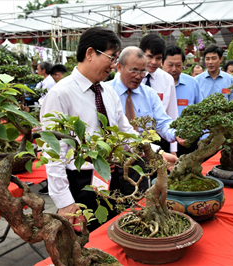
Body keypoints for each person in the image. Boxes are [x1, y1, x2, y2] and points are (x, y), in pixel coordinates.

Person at [40, 27, 176, 232]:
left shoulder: (107, 92)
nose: (114, 66)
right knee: (82, 238)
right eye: (111, 58)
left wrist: (157, 154)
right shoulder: (61, 93)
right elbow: (53, 152)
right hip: (79, 180)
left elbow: (126, 132)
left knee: (107, 231)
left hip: (108, 176)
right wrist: (64, 201)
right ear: (90, 53)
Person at [108, 46, 184, 194]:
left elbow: (163, 122)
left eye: (143, 71)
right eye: (134, 70)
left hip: (141, 159)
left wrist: (176, 134)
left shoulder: (149, 94)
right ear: (119, 67)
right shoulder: (106, 92)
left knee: (138, 200)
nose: (139, 76)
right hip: (112, 162)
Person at [139, 34, 179, 155]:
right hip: (134, 139)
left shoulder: (167, 79)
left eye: (158, 58)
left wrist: (173, 149)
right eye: (149, 57)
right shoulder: (129, 77)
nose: (153, 62)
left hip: (160, 138)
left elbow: (172, 114)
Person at [162, 45, 202, 156]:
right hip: (161, 138)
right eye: (170, 65)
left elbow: (200, 112)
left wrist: (202, 139)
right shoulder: (153, 84)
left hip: (186, 139)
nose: (174, 69)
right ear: (162, 63)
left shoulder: (192, 83)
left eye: (178, 65)